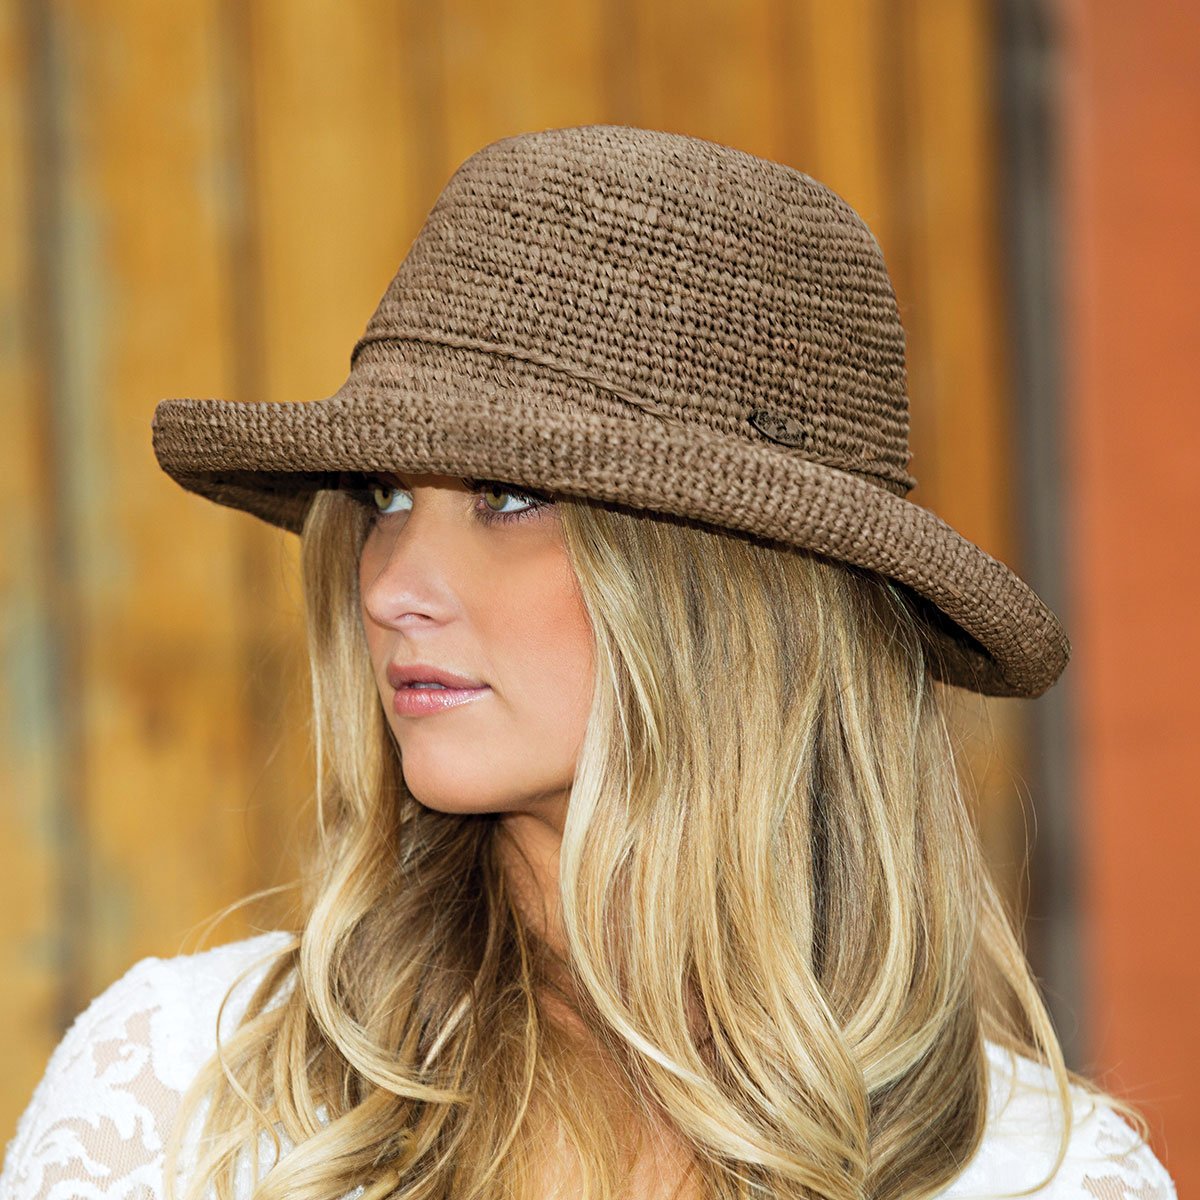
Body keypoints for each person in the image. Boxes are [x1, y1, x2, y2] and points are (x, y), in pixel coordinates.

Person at [0, 124, 1177, 1200]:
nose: (392, 583)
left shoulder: (1041, 1175)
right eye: (385, 496)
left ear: (739, 589)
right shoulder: (174, 1097)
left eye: (509, 497)